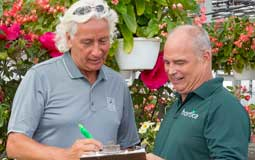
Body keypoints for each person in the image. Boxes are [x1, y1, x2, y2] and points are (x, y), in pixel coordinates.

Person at [6, 0, 140, 159]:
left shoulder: (117, 83)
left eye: (103, 41)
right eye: (87, 42)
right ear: (69, 39)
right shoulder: (40, 77)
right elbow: (15, 145)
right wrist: (66, 155)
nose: (97, 52)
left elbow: (129, 147)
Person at [146, 25, 250, 160]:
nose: (171, 71)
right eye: (167, 62)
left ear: (205, 58)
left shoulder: (225, 108)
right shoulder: (180, 101)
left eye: (180, 62)